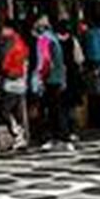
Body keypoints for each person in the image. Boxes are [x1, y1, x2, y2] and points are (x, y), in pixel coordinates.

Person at [33, 14, 69, 150]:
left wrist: (41, 78)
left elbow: (45, 61)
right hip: (57, 78)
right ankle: (62, 137)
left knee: (48, 110)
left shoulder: (43, 39)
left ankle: (51, 138)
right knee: (57, 109)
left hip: (49, 79)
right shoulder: (54, 38)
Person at [0, 20, 30, 151]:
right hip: (19, 82)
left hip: (12, 81)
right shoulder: (20, 42)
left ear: (10, 30)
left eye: (4, 28)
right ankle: (20, 136)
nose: (2, 31)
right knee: (16, 111)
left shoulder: (11, 44)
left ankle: (18, 134)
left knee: (6, 110)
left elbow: (6, 63)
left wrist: (3, 73)